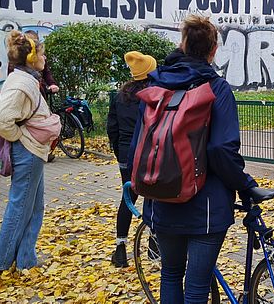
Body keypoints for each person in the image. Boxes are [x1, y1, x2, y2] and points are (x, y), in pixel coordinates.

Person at [130, 15, 259, 303]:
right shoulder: (217, 89)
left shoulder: (156, 87)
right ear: (214, 50)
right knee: (198, 287)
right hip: (206, 206)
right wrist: (245, 185)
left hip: (161, 197)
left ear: (183, 44)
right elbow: (221, 150)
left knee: (171, 274)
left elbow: (138, 146)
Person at [0, 30, 61, 272]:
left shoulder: (26, 78)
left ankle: (25, 259)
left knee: (34, 206)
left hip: (33, 151)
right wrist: (19, 136)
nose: (45, 57)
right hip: (28, 152)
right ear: (32, 57)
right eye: (42, 53)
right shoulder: (22, 83)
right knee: (20, 206)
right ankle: (1, 262)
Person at [108, 51, 157, 268]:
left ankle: (120, 248)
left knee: (128, 198)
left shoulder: (121, 95)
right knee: (153, 197)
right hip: (147, 154)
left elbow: (113, 128)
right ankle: (154, 248)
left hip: (126, 155)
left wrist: (120, 154)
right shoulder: (153, 95)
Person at [7, 30, 59, 96]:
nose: (45, 58)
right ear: (31, 57)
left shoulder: (26, 80)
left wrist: (52, 84)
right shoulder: (21, 87)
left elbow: (46, 72)